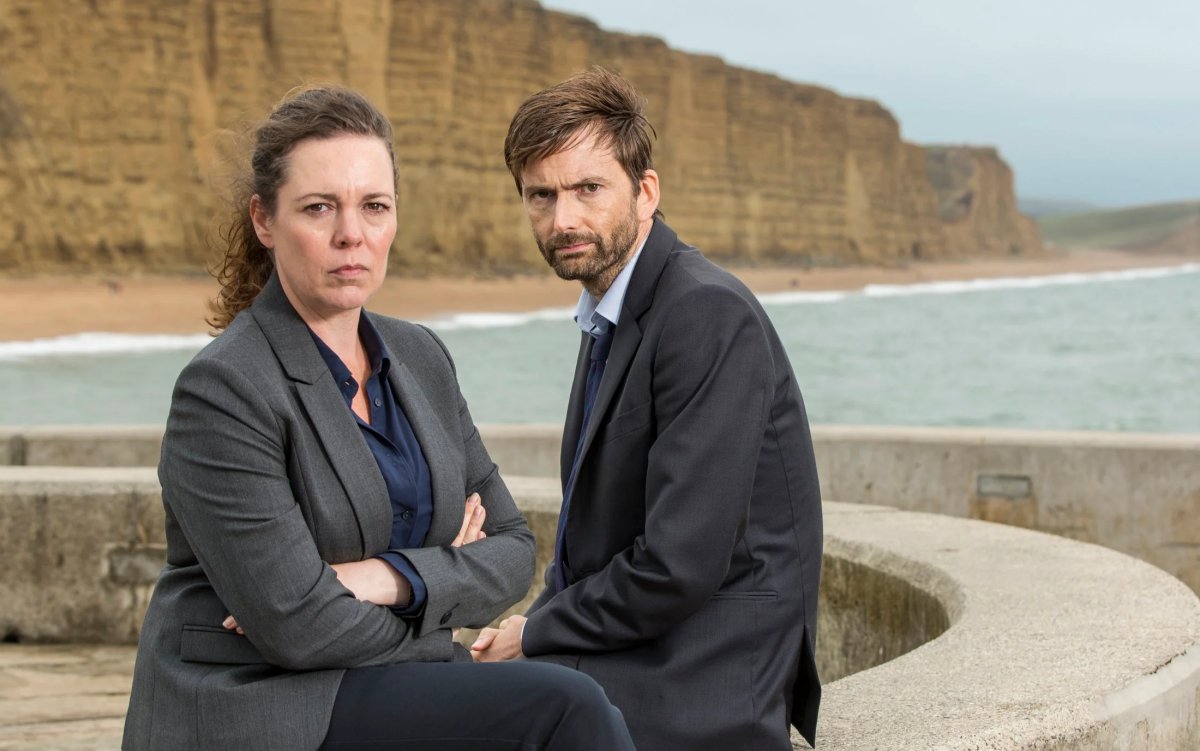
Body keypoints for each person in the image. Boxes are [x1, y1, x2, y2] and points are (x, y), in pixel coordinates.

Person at [122, 85, 634, 751]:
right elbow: (297, 625)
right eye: (318, 208)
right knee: (564, 706)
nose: (351, 234)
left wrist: (388, 576)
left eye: (374, 206)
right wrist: (440, 583)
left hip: (372, 682)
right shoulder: (224, 389)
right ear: (265, 219)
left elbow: (511, 551)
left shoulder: (420, 357)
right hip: (262, 702)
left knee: (573, 692)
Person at [471, 67, 824, 750]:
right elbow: (593, 541)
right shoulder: (617, 306)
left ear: (645, 192)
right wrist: (531, 625)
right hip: (653, 640)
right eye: (540, 196)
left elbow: (678, 565)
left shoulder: (703, 311)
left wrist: (536, 633)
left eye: (588, 189)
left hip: (710, 668)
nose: (563, 218)